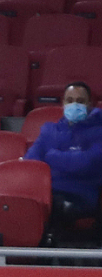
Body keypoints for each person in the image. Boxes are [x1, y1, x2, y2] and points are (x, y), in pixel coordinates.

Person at [24, 81, 102, 244]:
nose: (74, 105)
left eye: (80, 101)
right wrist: (66, 158)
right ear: (63, 103)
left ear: (89, 104)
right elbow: (31, 161)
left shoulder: (98, 131)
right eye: (70, 100)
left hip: (82, 196)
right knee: (25, 205)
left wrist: (51, 155)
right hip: (47, 193)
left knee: (54, 208)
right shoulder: (49, 130)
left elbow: (85, 163)